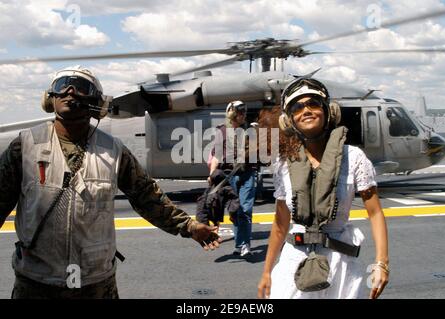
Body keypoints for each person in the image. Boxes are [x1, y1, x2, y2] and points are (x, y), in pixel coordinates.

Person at [0, 66, 220, 299]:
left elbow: (147, 196)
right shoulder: (25, 147)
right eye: (62, 85)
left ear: (97, 103)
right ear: (50, 98)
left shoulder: (114, 151)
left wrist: (189, 227)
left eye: (81, 87)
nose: (70, 91)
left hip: (96, 284)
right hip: (36, 282)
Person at [257, 78, 389, 299]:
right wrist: (267, 272)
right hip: (293, 262)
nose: (306, 110)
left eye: (313, 103)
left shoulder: (353, 157)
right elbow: (280, 225)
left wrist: (382, 263)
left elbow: (374, 212)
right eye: (297, 108)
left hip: (340, 265)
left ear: (329, 112)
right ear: (289, 121)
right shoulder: (284, 165)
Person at [209, 101, 257, 257]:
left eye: (244, 113)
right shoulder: (222, 132)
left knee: (245, 210)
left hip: (247, 174)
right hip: (228, 176)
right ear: (232, 114)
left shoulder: (251, 130)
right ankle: (239, 244)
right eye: (240, 113)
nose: (243, 115)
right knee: (235, 211)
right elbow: (216, 156)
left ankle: (245, 245)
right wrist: (212, 175)